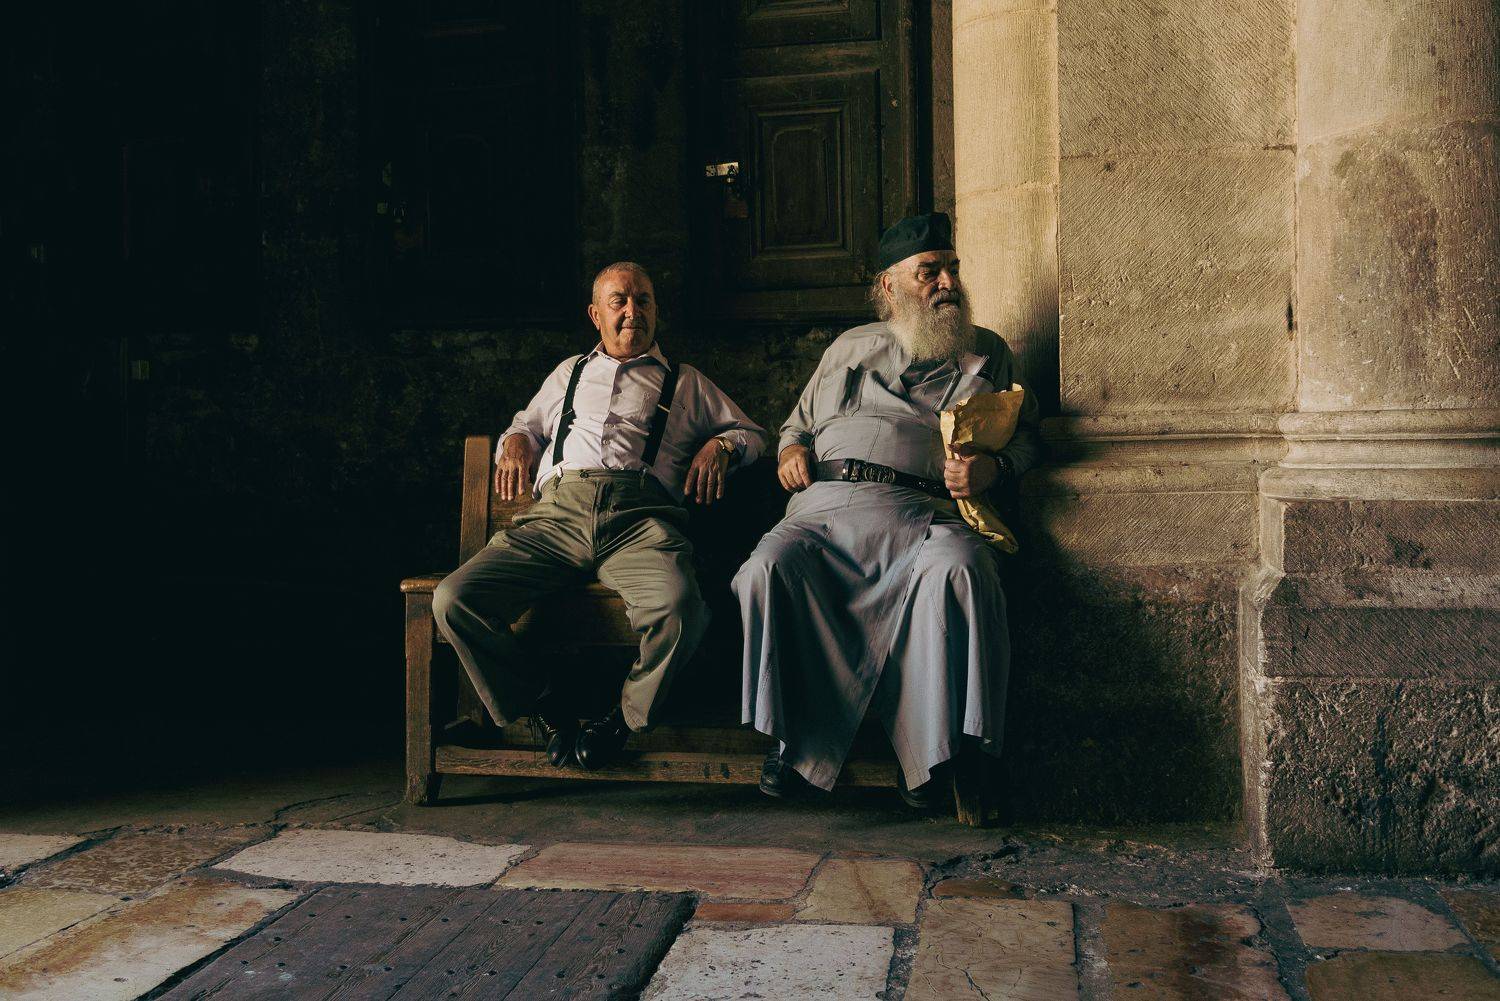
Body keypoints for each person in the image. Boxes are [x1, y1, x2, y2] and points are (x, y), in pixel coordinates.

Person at [733, 212, 1042, 808]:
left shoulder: (989, 352)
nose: (946, 283)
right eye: (929, 272)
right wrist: (792, 448)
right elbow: (796, 423)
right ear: (890, 288)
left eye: (951, 269)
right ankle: (792, 743)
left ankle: (941, 754)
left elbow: (1028, 438)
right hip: (824, 510)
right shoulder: (847, 347)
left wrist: (994, 469)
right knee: (765, 568)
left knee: (962, 569)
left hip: (924, 511)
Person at [433, 262, 766, 771]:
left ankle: (625, 720)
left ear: (656, 309)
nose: (634, 311)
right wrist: (518, 442)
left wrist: (722, 445)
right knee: (454, 599)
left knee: (682, 609)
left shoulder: (687, 383)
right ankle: (540, 704)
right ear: (596, 314)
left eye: (644, 300)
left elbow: (753, 435)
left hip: (640, 522)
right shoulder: (569, 373)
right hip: (554, 521)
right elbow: (525, 424)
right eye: (620, 301)